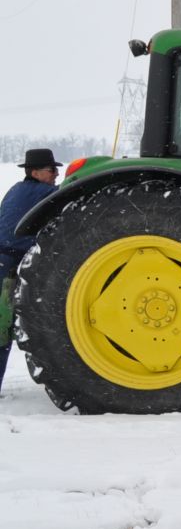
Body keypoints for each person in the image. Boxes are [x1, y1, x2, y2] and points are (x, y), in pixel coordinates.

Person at [0, 148, 61, 391]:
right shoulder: (42, 191)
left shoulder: (17, 189)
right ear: (34, 172)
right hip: (8, 266)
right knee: (2, 330)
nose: (56, 174)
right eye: (51, 170)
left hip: (5, 261)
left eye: (57, 170)